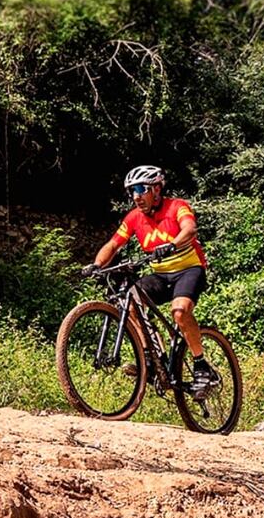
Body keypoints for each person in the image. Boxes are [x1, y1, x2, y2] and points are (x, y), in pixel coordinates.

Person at [82, 165, 216, 392]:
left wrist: (172, 244)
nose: (136, 196)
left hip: (189, 269)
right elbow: (113, 244)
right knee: (130, 303)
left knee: (180, 312)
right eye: (131, 191)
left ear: (156, 189)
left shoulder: (177, 207)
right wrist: (96, 265)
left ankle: (201, 365)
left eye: (140, 189)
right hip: (160, 275)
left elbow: (190, 229)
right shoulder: (134, 217)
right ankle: (154, 360)